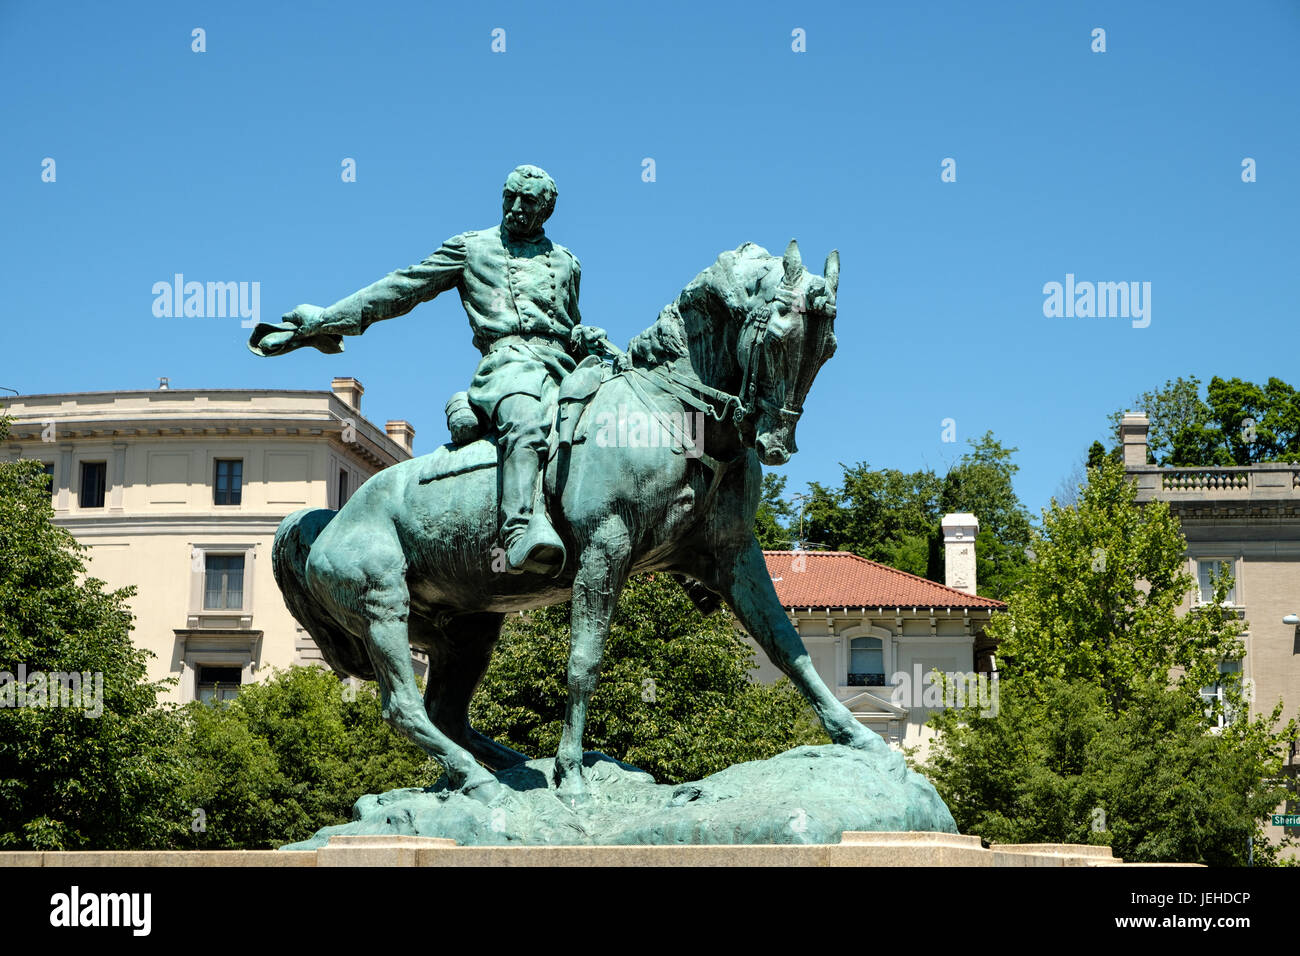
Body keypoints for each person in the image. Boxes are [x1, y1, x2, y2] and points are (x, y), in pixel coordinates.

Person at [249, 164, 606, 575]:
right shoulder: (473, 248)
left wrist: (584, 338)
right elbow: (402, 287)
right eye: (509, 196)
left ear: (546, 210)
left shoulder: (566, 263)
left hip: (563, 367)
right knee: (524, 421)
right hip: (507, 365)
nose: (515, 207)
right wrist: (326, 320)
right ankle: (519, 529)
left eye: (527, 201)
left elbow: (568, 324)